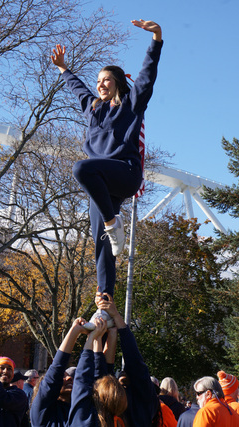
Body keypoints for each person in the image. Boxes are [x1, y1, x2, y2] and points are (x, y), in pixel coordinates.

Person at [51, 19, 163, 324]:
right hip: (101, 189)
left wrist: (156, 38)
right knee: (102, 245)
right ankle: (104, 307)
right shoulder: (93, 108)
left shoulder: (131, 103)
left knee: (81, 168)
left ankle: (114, 222)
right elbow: (78, 89)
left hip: (124, 174)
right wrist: (63, 68)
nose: (100, 84)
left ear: (116, 83)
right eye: (98, 80)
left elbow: (147, 75)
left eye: (106, 80)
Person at [94, 292, 159, 426]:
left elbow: (134, 360)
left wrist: (114, 317)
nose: (123, 372)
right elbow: (105, 374)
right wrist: (110, 325)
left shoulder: (140, 404)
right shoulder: (114, 403)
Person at [67, 317, 128, 427]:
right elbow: (92, 378)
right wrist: (100, 337)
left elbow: (82, 380)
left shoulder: (84, 419)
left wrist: (92, 337)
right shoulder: (117, 421)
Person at [30, 317, 89, 427]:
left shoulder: (82, 410)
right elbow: (56, 368)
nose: (69, 378)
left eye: (71, 377)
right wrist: (75, 330)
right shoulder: (41, 414)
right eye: (63, 377)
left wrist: (95, 337)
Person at [0, 356, 28, 427]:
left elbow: (3, 399)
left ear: (12, 376)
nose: (5, 371)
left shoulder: (19, 395)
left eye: (9, 369)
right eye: (2, 368)